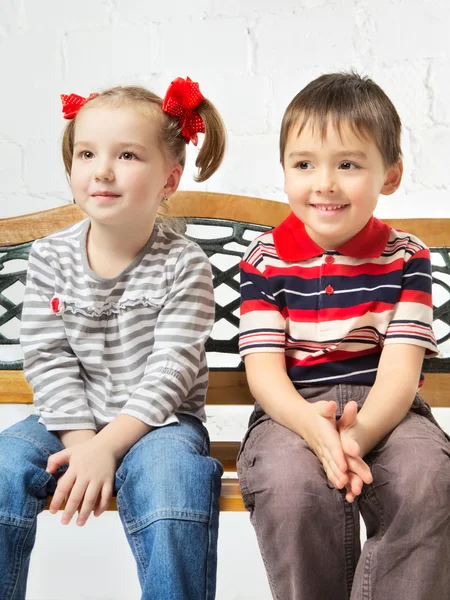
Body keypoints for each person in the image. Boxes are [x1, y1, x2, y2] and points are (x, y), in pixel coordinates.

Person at [0, 77, 226, 600]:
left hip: (158, 424)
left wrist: (109, 445)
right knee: (5, 467)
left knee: (175, 486)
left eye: (126, 154)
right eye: (86, 153)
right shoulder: (51, 257)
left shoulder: (184, 263)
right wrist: (86, 447)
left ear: (169, 179)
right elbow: (47, 357)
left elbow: (172, 369)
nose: (101, 169)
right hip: (65, 423)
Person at [237, 72, 450, 600]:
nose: (324, 183)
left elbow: (401, 374)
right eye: (304, 164)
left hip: (390, 408)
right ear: (284, 173)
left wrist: (352, 441)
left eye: (348, 164)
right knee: (291, 489)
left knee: (428, 479)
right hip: (292, 410)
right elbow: (264, 375)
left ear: (390, 175)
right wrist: (317, 431)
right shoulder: (266, 261)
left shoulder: (407, 257)